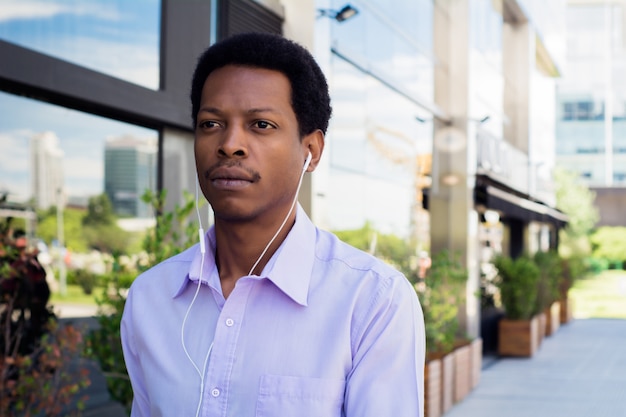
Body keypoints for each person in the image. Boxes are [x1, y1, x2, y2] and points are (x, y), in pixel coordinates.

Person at [121, 32, 425, 417]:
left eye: (261, 125)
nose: (230, 144)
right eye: (211, 123)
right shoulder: (150, 297)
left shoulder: (372, 302)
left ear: (311, 151)